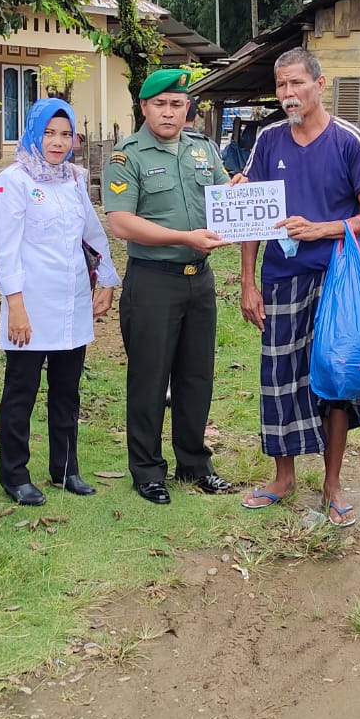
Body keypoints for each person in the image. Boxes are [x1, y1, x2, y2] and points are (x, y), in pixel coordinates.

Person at [238, 48, 360, 527]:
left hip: (337, 279)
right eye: (281, 86)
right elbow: (253, 216)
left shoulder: (349, 141)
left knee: (334, 379)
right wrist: (248, 281)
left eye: (297, 83)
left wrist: (321, 229)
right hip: (280, 280)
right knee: (279, 377)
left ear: (320, 85)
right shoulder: (267, 141)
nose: (288, 94)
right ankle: (283, 478)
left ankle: (332, 483)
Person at [103, 69, 237, 504]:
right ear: (144, 107)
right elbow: (121, 222)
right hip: (153, 282)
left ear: (187, 109)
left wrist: (239, 196)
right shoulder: (127, 156)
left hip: (199, 280)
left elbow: (221, 197)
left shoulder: (202, 149)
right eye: (159, 104)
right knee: (149, 376)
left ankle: (194, 463)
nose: (168, 112)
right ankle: (147, 470)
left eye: (177, 104)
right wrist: (184, 238)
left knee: (196, 376)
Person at [0, 99, 120, 504]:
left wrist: (108, 280)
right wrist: (15, 306)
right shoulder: (11, 181)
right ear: (33, 133)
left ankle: (66, 469)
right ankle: (14, 474)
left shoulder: (74, 180)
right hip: (29, 305)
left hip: (72, 301)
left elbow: (93, 234)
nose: (58, 142)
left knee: (67, 390)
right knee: (21, 391)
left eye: (65, 134)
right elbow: (5, 250)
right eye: (49, 133)